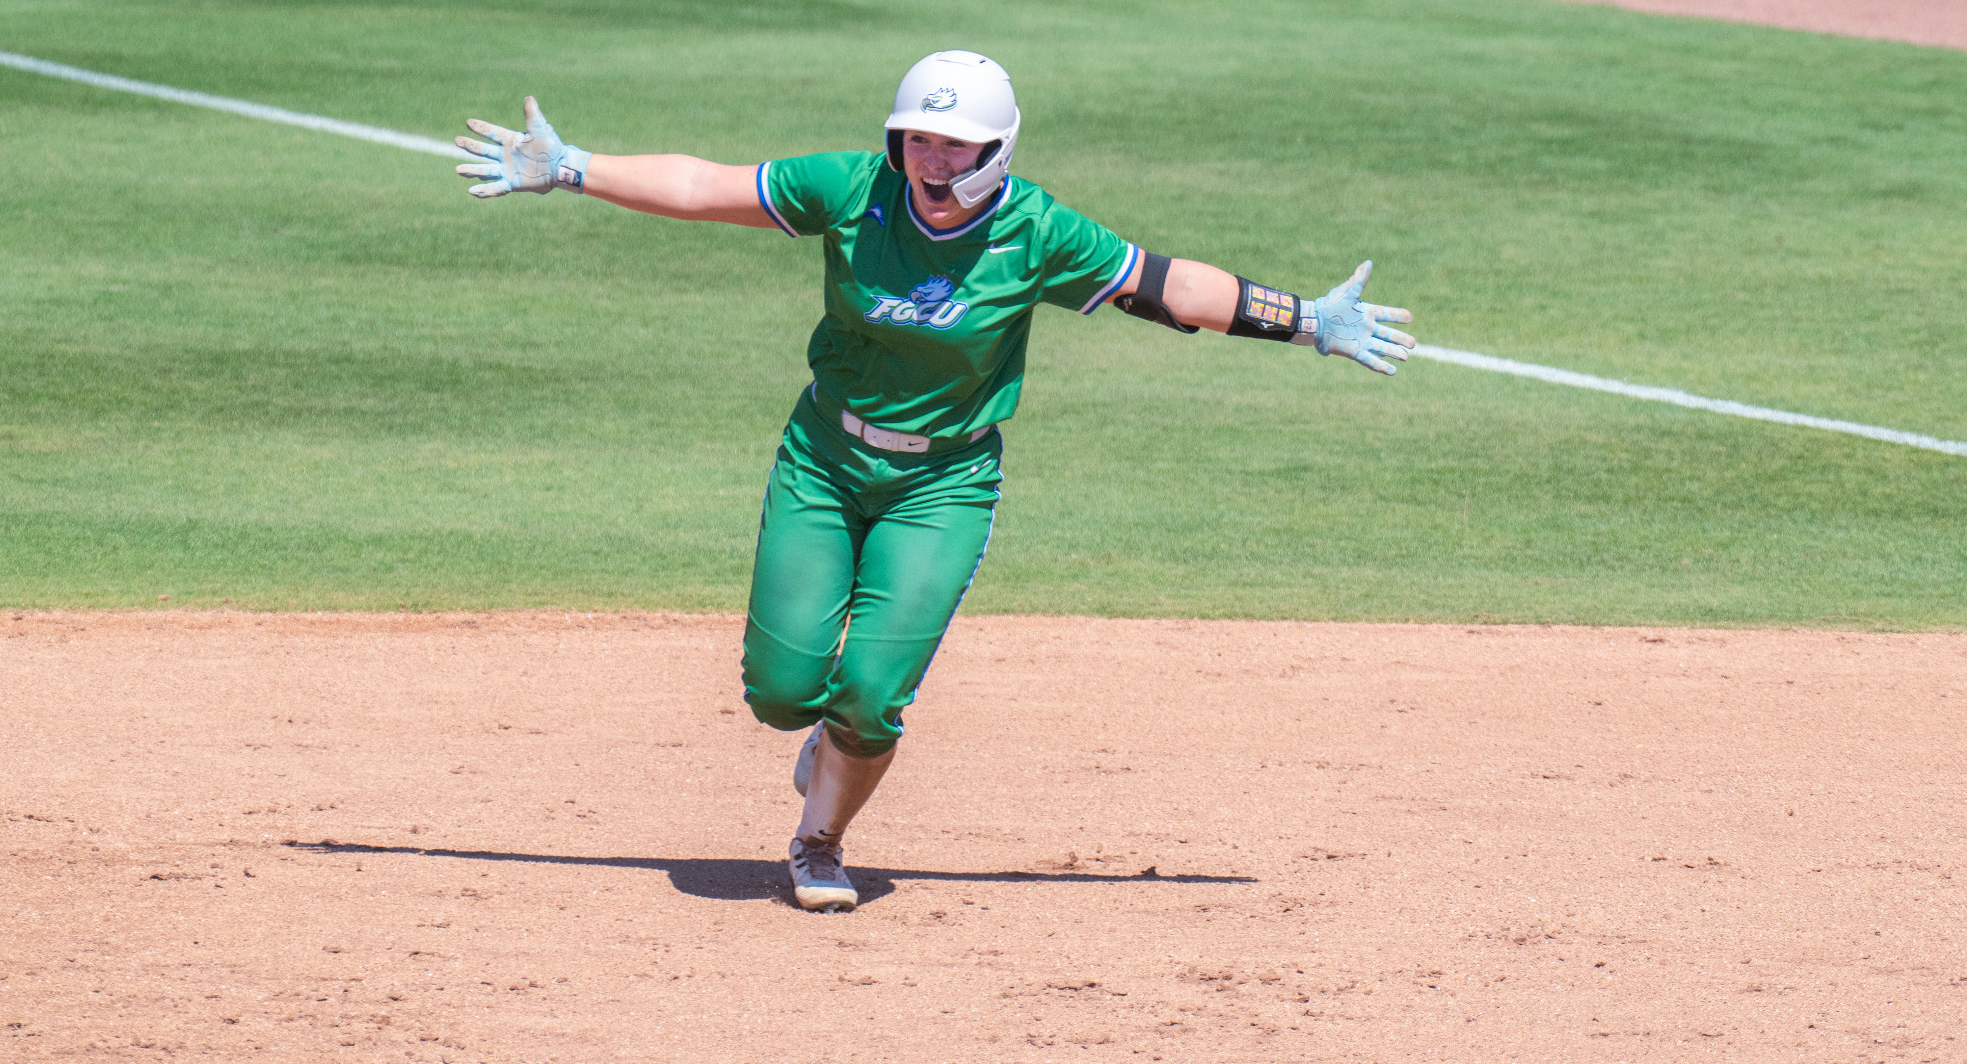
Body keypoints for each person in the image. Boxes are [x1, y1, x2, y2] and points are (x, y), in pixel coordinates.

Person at [454, 50, 1413, 913]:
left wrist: (1302, 320)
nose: (934, 162)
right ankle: (821, 743)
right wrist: (576, 168)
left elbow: (1168, 286)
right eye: (920, 140)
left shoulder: (1038, 231)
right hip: (824, 460)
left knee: (871, 696)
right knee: (782, 692)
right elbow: (707, 186)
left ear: (998, 152)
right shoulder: (851, 189)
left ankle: (820, 839)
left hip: (944, 484)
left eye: (958, 147)